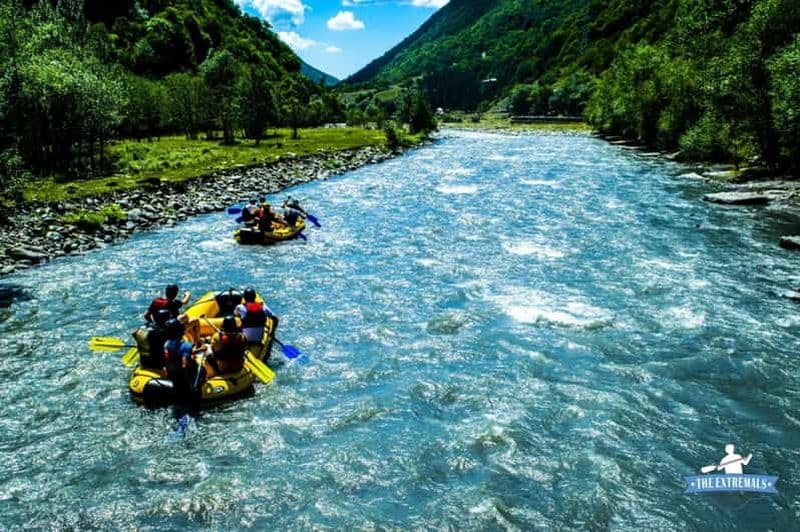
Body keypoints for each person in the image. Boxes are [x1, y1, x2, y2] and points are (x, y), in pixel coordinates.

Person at [163, 319, 203, 401]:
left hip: (171, 374)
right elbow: (184, 364)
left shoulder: (166, 344)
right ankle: (195, 386)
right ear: (180, 331)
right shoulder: (186, 345)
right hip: (184, 379)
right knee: (201, 368)